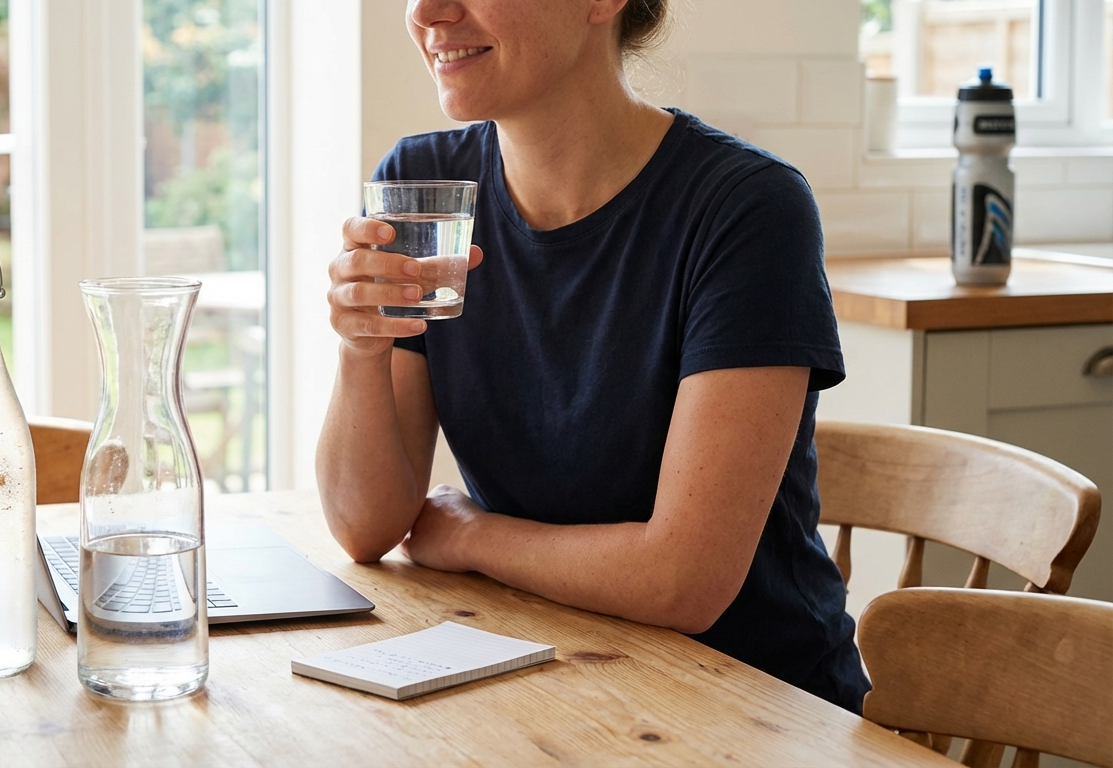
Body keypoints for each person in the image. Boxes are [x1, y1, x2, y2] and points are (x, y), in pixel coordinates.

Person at [316, 0, 870, 713]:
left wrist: (476, 537)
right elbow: (365, 528)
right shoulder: (424, 185)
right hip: (552, 676)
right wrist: (362, 346)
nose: (427, 12)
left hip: (756, 707)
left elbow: (684, 582)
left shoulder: (746, 209)